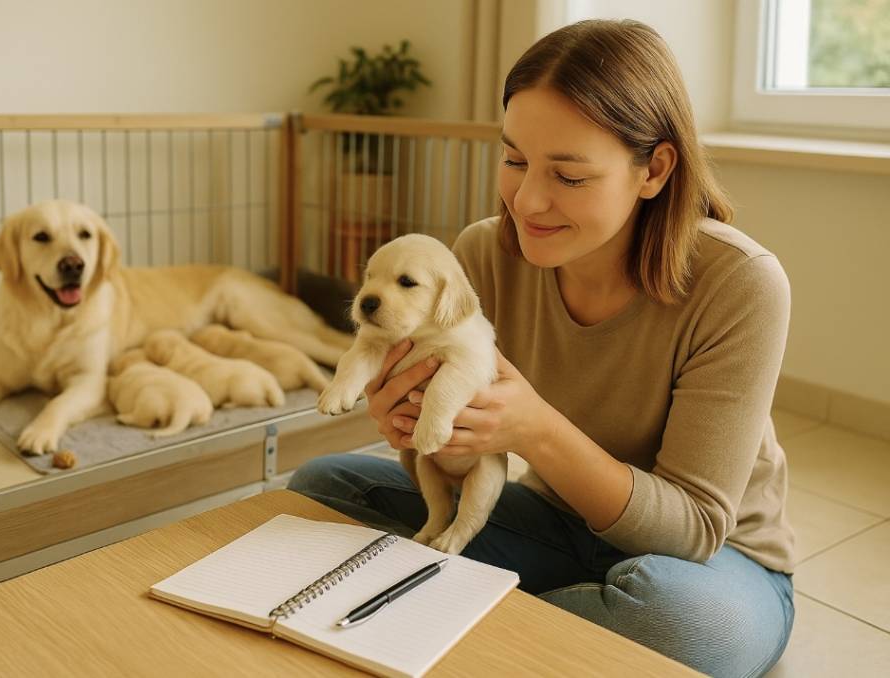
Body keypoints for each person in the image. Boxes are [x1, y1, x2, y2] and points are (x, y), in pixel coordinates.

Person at [288, 18, 794, 678]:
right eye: (515, 159)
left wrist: (535, 429)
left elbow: (693, 527)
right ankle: (539, 638)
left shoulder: (741, 284)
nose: (527, 201)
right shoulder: (482, 254)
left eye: (570, 176)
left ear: (655, 168)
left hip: (714, 563)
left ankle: (460, 622)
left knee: (684, 625)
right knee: (320, 487)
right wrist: (414, 430)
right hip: (557, 525)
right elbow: (448, 444)